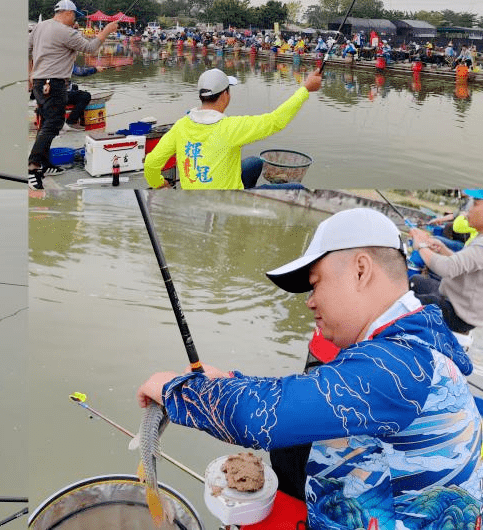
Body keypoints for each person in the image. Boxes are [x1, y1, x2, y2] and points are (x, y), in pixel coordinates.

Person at [138, 207, 483, 528]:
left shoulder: (399, 364)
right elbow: (312, 392)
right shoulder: (415, 343)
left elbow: (260, 418)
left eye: (316, 282)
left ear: (361, 270)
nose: (310, 301)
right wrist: (229, 381)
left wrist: (174, 389)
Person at [143, 67, 322, 190]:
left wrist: (160, 184)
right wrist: (305, 89)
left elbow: (151, 164)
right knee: (297, 189)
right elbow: (276, 121)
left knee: (255, 162)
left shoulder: (181, 125)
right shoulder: (231, 127)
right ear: (225, 95)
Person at [27, 0, 119, 189]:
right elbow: (91, 48)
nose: (75, 21)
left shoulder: (39, 27)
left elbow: (27, 50)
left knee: (46, 124)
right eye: (74, 16)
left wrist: (30, 75)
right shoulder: (64, 31)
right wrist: (107, 30)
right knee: (52, 124)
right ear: (67, 13)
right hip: (54, 83)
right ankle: (33, 167)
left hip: (40, 83)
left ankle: (44, 163)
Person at [408, 189, 483, 334]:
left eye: (474, 204)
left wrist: (421, 245)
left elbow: (447, 268)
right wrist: (442, 248)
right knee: (415, 280)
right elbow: (461, 263)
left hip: (457, 314)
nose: (468, 210)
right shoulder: (479, 239)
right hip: (452, 300)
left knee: (403, 302)